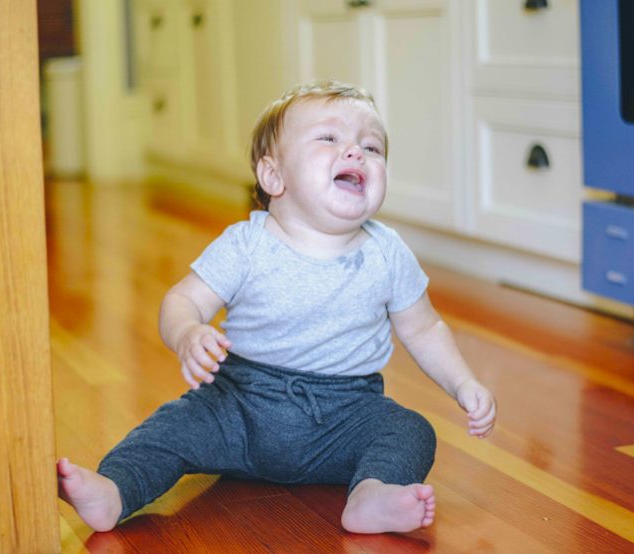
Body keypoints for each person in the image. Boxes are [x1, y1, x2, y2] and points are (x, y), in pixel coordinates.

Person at [57, 80, 497, 535]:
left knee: (411, 431)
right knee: (171, 429)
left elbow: (424, 329)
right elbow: (182, 299)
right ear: (274, 177)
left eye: (372, 146)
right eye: (329, 138)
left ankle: (371, 494)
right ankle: (115, 488)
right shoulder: (247, 245)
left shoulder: (388, 253)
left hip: (345, 418)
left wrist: (463, 383)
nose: (355, 152)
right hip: (238, 408)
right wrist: (188, 331)